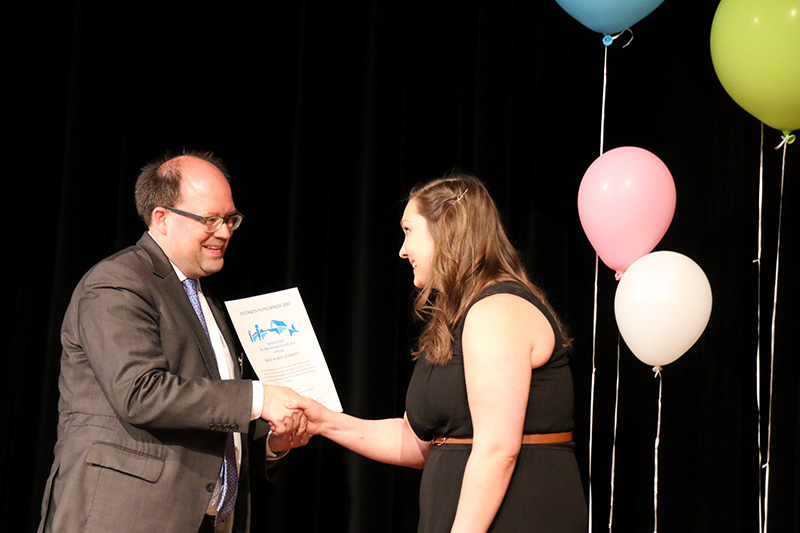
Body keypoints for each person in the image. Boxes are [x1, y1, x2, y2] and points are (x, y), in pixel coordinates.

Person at [291, 174, 587, 532]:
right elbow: (417, 441)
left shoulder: (497, 310)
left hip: (518, 514)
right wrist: (325, 422)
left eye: (409, 230)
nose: (402, 250)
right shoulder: (462, 316)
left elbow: (497, 450)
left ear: (445, 229)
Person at [38, 151, 310, 533]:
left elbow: (209, 412)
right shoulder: (117, 283)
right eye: (210, 219)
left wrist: (273, 442)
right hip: (123, 516)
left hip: (205, 520)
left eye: (230, 219)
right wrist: (261, 398)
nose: (225, 232)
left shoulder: (205, 301)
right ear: (161, 218)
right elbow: (140, 393)